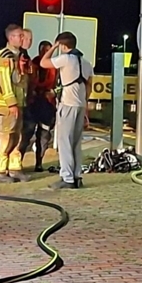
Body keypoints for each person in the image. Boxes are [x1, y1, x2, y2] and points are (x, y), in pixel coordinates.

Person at [40, 32, 94, 189]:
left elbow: (44, 62)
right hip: (80, 105)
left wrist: (54, 47)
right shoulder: (86, 62)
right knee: (76, 142)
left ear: (63, 46)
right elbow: (89, 85)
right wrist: (84, 103)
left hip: (68, 104)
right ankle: (77, 176)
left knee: (64, 142)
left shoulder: (65, 59)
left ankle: (67, 178)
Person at [0, 24, 30, 183]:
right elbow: (3, 80)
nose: (23, 38)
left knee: (16, 137)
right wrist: (11, 102)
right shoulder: (5, 56)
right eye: (20, 36)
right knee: (4, 137)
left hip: (17, 103)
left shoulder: (18, 56)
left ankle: (14, 167)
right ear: (11, 38)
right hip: (5, 105)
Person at [21, 40, 58, 172]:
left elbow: (59, 84)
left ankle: (39, 163)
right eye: (43, 50)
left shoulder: (55, 65)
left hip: (47, 104)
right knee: (26, 134)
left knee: (44, 135)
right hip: (33, 103)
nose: (45, 53)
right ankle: (17, 162)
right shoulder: (32, 64)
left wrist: (53, 92)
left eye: (47, 50)